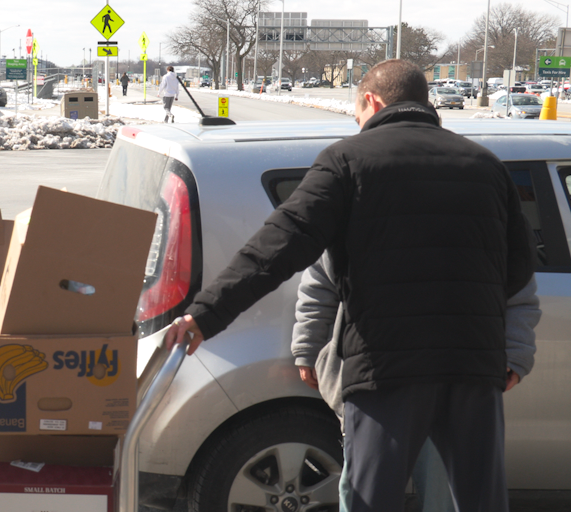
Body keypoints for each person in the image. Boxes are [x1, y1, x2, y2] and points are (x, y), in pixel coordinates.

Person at [165, 59, 535, 512]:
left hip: (385, 368)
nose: (358, 124)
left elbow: (276, 247)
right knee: (480, 501)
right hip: (474, 367)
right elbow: (518, 270)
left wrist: (206, 315)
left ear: (372, 101)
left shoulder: (348, 162)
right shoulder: (487, 167)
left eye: (357, 113)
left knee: (370, 498)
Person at [293, 252, 540, 511]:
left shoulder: (484, 213)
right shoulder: (359, 211)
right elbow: (321, 280)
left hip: (449, 377)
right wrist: (309, 346)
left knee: (440, 496)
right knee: (361, 495)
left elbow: (518, 285)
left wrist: (515, 349)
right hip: (373, 376)